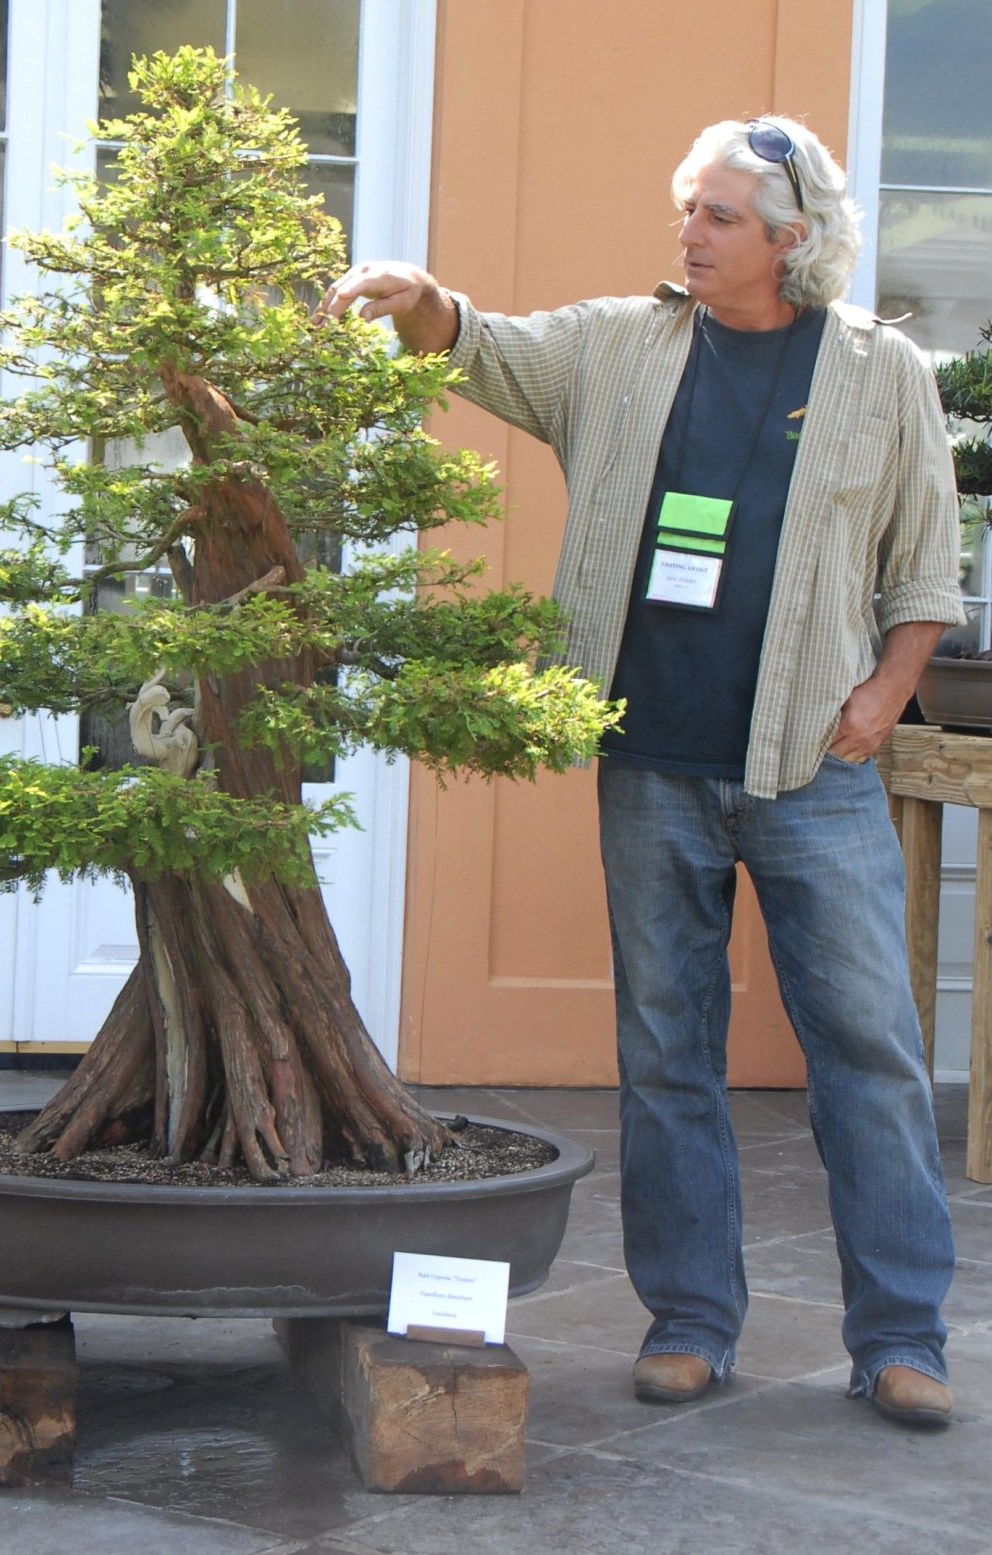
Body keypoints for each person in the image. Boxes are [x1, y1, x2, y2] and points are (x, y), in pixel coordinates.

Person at [322, 117, 963, 1428]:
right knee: (666, 1050)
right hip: (649, 762)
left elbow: (924, 563)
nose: (687, 231)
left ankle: (901, 1338)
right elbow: (493, 350)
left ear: (791, 238)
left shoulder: (876, 370)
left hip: (811, 764)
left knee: (868, 1052)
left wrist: (885, 694)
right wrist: (423, 301)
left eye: (717, 215)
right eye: (685, 208)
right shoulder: (622, 345)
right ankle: (688, 1319)